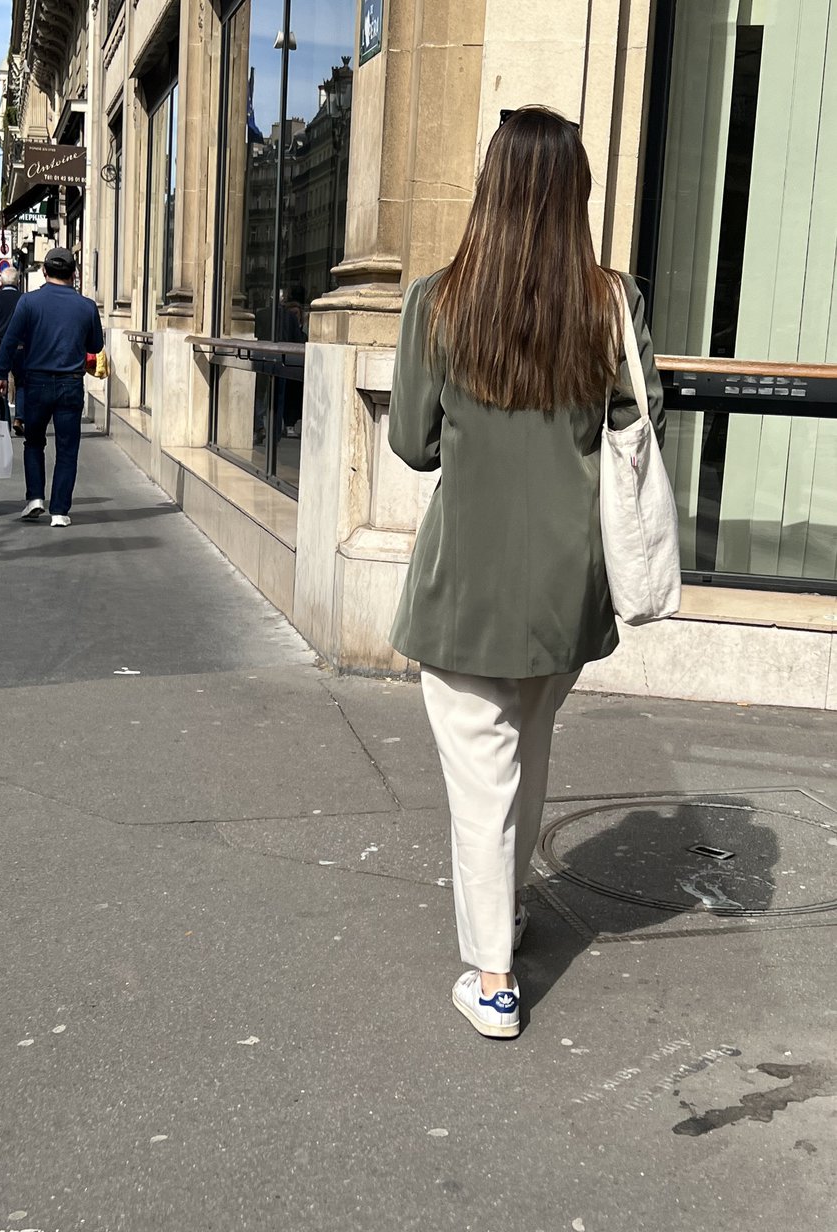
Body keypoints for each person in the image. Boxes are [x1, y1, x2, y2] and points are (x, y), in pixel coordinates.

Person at [387, 107, 664, 1040]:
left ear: (489, 185)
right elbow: (640, 418)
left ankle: (494, 978)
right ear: (577, 191)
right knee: (529, 751)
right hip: (565, 583)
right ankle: (502, 915)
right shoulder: (611, 302)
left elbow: (413, 442)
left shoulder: (438, 301)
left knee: (481, 777)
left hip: (464, 581)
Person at [0, 247, 103, 527]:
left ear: (44, 271)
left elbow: (10, 340)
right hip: (71, 383)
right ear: (74, 273)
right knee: (67, 448)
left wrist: (1, 373)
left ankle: (34, 498)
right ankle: (60, 511)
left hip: (36, 382)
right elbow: (95, 345)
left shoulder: (29, 302)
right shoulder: (87, 306)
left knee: (34, 442)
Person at [0, 268, 25, 435]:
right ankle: (19, 418)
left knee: (0, 384)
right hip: (20, 347)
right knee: (21, 383)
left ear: (0, 281)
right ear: (18, 282)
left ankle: (5, 422)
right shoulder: (24, 299)